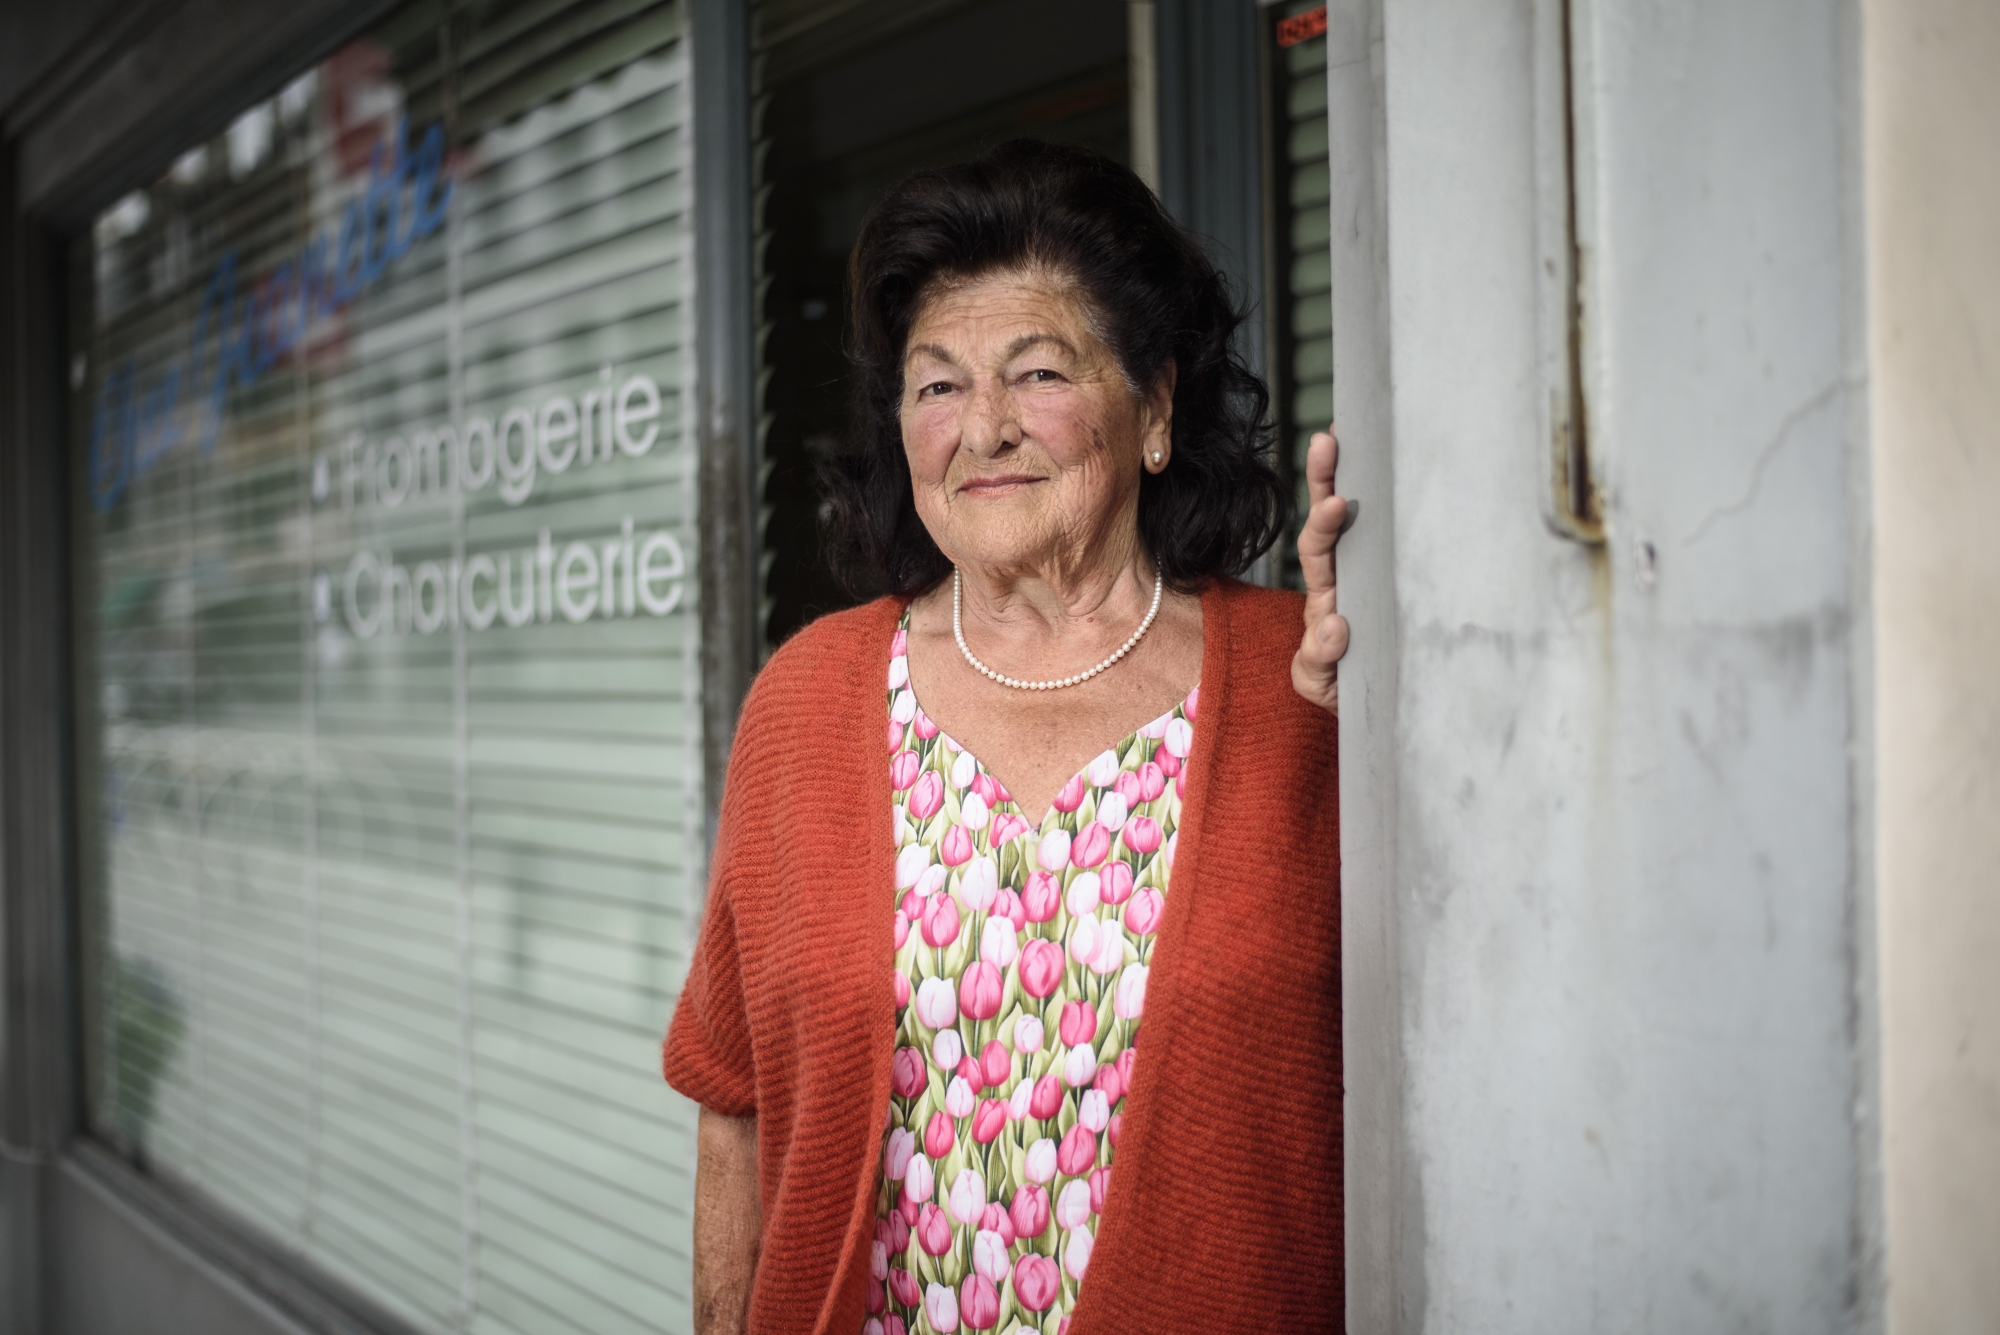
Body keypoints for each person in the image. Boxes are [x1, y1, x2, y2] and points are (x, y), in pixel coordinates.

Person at [664, 139, 1351, 1335]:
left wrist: (1402, 717)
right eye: (936, 386)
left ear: (1153, 406)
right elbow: (733, 1099)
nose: (981, 428)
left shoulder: (1309, 688)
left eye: (1035, 373)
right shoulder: (805, 700)